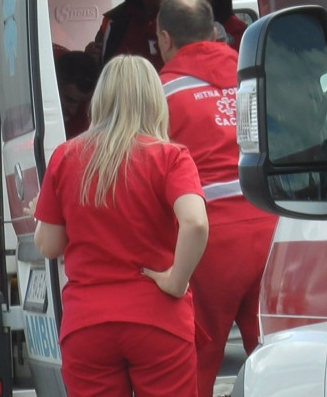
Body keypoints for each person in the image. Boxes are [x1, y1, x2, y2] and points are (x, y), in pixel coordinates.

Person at [31, 55, 209, 397]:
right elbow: (196, 223)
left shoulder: (65, 157)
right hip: (157, 318)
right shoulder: (170, 157)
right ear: (155, 100)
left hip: (87, 323)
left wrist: (45, 213)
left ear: (100, 98)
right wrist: (176, 281)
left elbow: (49, 245)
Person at [157, 0, 277, 397]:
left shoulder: (161, 93)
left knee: (195, 361)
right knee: (276, 356)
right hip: (273, 228)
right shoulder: (257, 76)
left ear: (164, 38)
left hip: (209, 240)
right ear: (213, 32)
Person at [55, 50, 100, 139]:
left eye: (82, 103)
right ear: (54, 86)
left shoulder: (88, 123)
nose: (73, 111)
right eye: (69, 100)